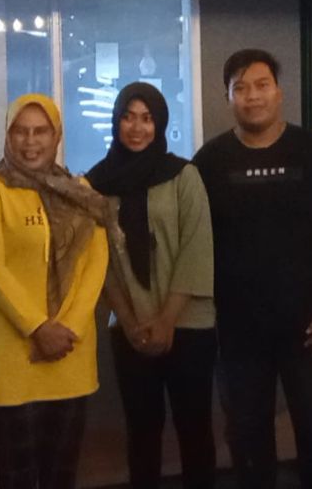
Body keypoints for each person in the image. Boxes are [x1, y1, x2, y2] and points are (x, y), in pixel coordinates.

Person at [191, 49, 312, 489]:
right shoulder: (209, 162)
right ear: (228, 97)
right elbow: (191, 241)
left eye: (262, 85)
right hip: (238, 331)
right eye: (241, 88)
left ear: (279, 91)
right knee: (247, 439)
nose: (252, 96)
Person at [0, 94, 110, 489]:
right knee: (18, 475)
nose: (30, 142)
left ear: (57, 136)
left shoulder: (80, 191)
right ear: (7, 136)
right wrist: (37, 327)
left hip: (70, 352)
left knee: (62, 475)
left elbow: (95, 263)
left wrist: (68, 327)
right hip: (13, 355)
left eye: (41, 131)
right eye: (21, 131)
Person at [87, 83, 217, 489]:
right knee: (142, 431)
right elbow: (100, 261)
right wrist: (128, 321)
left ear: (159, 123)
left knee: (194, 427)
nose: (136, 127)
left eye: (146, 118)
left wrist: (166, 320)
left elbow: (197, 248)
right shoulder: (98, 184)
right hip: (131, 327)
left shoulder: (183, 176)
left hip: (188, 323)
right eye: (128, 117)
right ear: (116, 122)